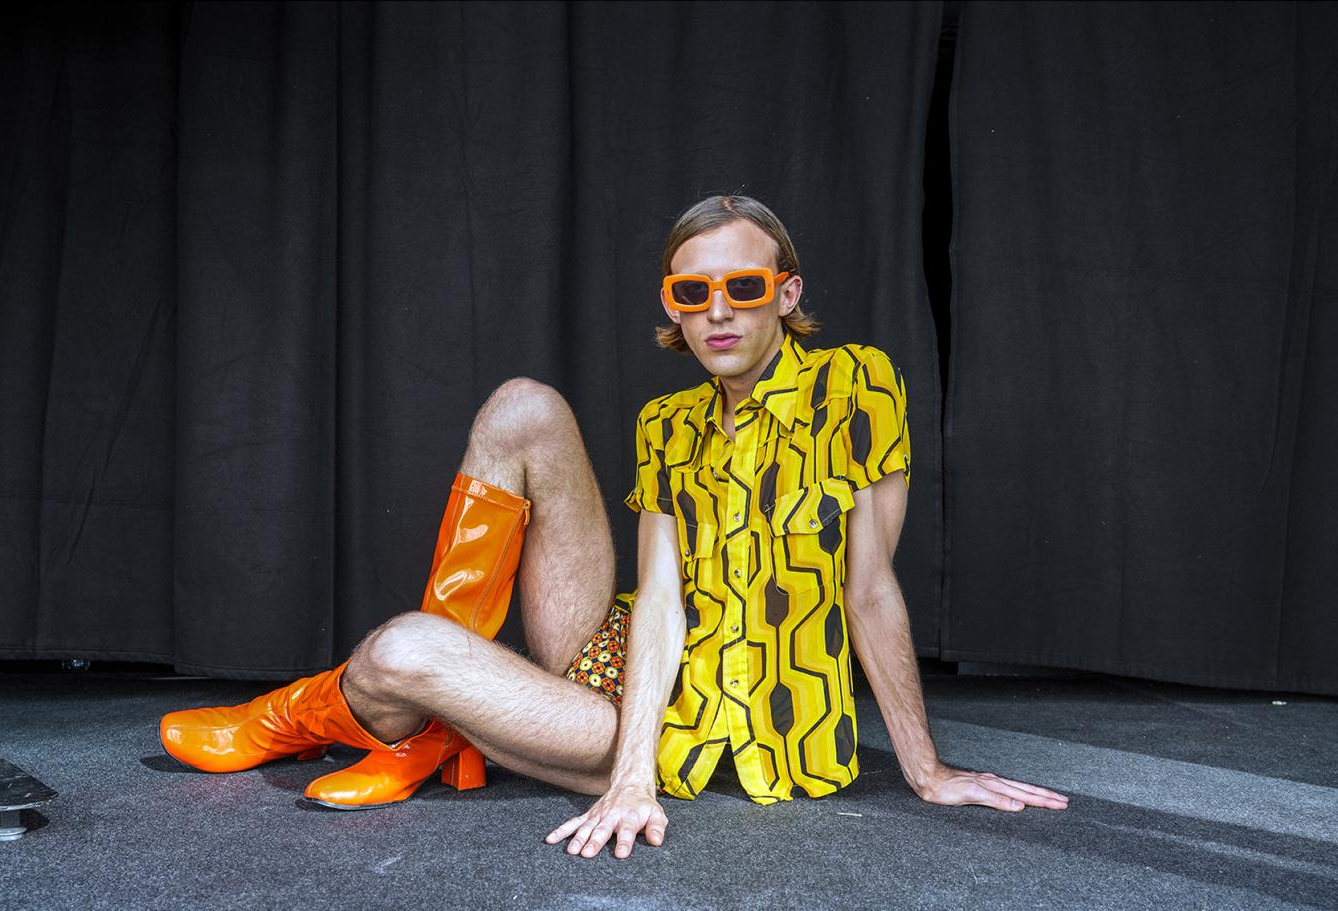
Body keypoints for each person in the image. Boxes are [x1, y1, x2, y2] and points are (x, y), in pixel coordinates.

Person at [159, 194, 1069, 860]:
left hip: (674, 721)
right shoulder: (667, 426)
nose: (718, 310)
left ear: (787, 294)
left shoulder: (857, 385)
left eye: (744, 286)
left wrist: (926, 769)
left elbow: (869, 588)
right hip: (624, 661)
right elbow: (662, 600)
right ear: (673, 304)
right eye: (692, 290)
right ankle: (428, 735)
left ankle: (323, 712)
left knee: (403, 650)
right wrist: (628, 777)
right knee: (523, 406)